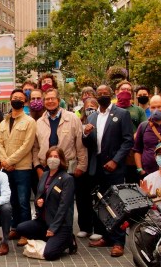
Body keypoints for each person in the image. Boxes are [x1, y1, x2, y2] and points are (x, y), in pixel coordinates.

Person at [82, 84, 135, 257]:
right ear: (96, 96)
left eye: (106, 93)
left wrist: (115, 160)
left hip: (114, 167)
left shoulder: (122, 114)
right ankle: (106, 236)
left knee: (116, 204)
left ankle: (119, 241)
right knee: (101, 203)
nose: (103, 96)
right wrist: (86, 134)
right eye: (100, 94)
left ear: (111, 95)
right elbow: (87, 145)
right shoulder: (92, 118)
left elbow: (128, 141)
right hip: (96, 167)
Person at [16, 146, 76, 260]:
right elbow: (40, 195)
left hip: (60, 224)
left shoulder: (67, 179)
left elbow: (64, 206)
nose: (52, 159)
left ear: (61, 159)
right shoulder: (44, 175)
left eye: (56, 157)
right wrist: (39, 202)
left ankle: (68, 240)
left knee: (49, 254)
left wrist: (53, 228)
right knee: (21, 228)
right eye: (50, 156)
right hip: (44, 221)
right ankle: (50, 238)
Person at [0, 89, 37, 241]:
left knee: (23, 201)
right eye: (15, 97)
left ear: (25, 101)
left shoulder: (29, 121)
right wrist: (5, 162)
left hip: (23, 168)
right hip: (7, 169)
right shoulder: (4, 122)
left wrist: (9, 161)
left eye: (20, 98)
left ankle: (25, 232)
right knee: (11, 200)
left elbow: (27, 145)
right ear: (10, 99)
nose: (17, 100)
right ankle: (14, 228)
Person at [33, 88, 87, 183]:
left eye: (53, 98)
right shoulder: (39, 122)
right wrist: (38, 167)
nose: (50, 101)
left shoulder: (73, 118)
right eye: (47, 99)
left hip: (67, 168)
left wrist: (81, 166)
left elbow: (80, 144)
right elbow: (35, 148)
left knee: (66, 197)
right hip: (46, 169)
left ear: (58, 100)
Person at [74, 97, 99, 240]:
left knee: (96, 197)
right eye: (87, 106)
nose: (90, 108)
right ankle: (85, 227)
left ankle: (97, 227)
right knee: (82, 198)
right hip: (82, 164)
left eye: (93, 106)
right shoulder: (79, 122)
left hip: (96, 163)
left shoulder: (99, 120)